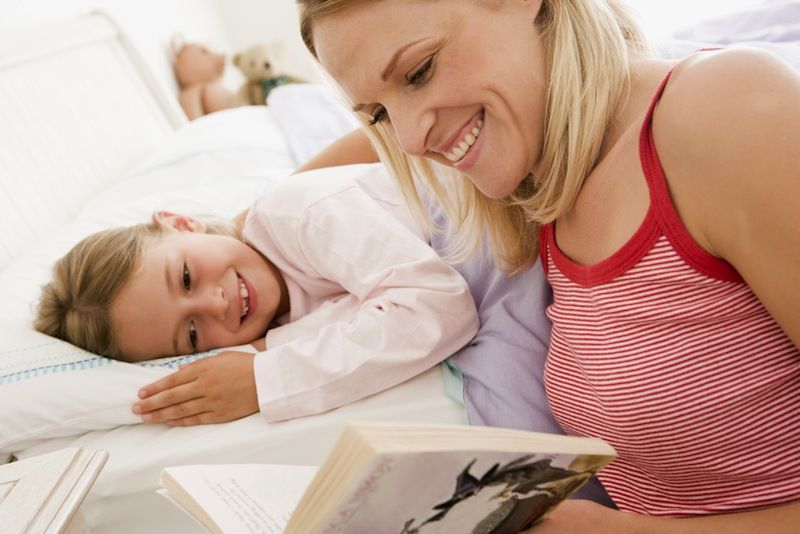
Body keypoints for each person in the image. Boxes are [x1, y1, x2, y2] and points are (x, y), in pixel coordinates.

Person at [295, 0, 800, 530]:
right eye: (379, 113)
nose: (411, 141)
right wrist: (234, 230)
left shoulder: (727, 109)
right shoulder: (541, 189)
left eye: (419, 72)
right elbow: (364, 154)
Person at [34, 164, 479, 425]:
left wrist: (265, 376)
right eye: (191, 335)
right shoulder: (278, 325)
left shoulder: (298, 213)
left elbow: (436, 306)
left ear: (182, 223)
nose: (215, 305)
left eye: (186, 277)